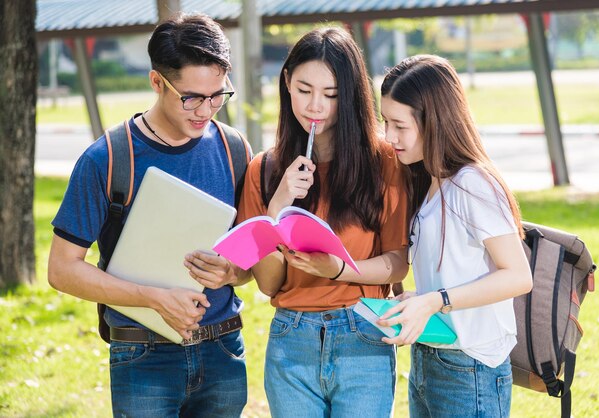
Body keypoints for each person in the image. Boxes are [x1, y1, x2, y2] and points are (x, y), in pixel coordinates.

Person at [48, 13, 251, 418]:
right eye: (191, 97)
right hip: (143, 354)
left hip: (223, 349)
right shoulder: (107, 158)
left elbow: (249, 261)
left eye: (217, 96)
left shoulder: (234, 149)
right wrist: (155, 299)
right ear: (157, 82)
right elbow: (61, 269)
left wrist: (231, 272)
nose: (206, 110)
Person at [236, 27, 409, 417]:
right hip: (291, 337)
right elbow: (267, 283)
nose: (315, 106)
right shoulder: (261, 170)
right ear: (285, 83)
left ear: (349, 96)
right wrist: (278, 203)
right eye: (303, 89)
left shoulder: (385, 163)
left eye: (330, 95)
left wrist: (339, 271)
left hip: (363, 332)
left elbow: (399, 262)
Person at [378, 54, 533, 418]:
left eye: (399, 125)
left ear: (434, 122)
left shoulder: (472, 184)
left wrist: (436, 300)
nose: (389, 136)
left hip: (471, 367)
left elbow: (517, 275)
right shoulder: (430, 181)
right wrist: (421, 298)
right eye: (386, 122)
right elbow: (456, 271)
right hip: (431, 356)